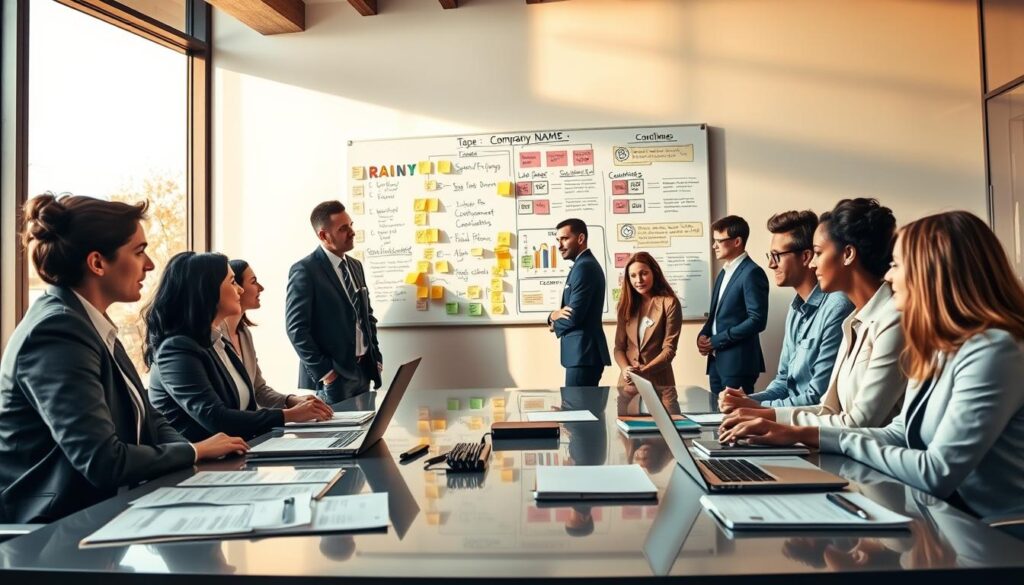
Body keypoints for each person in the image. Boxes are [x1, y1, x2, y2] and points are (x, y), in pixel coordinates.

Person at [719, 211, 1024, 523]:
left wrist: (824, 438)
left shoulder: (995, 351)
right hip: (942, 517)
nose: (888, 277)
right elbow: (900, 432)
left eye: (897, 265)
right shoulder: (937, 347)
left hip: (994, 533)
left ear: (934, 273)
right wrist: (800, 433)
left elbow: (937, 472)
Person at [0, 194, 247, 523]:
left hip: (103, 513)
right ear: (97, 263)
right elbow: (103, 461)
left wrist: (197, 455)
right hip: (53, 527)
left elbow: (151, 418)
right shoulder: (57, 331)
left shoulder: (89, 322)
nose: (150, 264)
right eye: (139, 251)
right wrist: (194, 451)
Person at [720, 198, 905, 429]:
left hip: (852, 445)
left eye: (818, 253)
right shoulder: (852, 320)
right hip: (835, 439)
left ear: (848, 254)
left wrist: (771, 421)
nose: (813, 264)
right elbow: (829, 406)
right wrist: (752, 407)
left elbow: (855, 421)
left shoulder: (871, 315)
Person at [146, 252, 333, 441]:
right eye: (232, 282)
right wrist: (290, 415)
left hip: (238, 449)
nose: (240, 290)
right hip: (201, 458)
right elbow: (216, 418)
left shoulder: (217, 342)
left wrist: (292, 407)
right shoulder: (176, 349)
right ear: (208, 289)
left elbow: (250, 399)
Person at [719, 211, 853, 411]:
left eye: (777, 256)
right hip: (787, 418)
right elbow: (783, 382)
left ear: (806, 257)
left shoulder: (837, 308)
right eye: (770, 256)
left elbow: (818, 397)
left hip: (810, 423)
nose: (771, 264)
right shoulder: (795, 308)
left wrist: (754, 407)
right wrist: (744, 400)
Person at [286, 200, 382, 403]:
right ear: (323, 235)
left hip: (364, 371)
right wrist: (326, 373)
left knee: (370, 424)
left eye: (351, 225)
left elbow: (366, 316)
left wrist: (376, 356)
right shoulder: (305, 270)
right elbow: (296, 329)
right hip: (335, 378)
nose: (352, 232)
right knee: (339, 425)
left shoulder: (355, 266)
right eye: (343, 228)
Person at [223, 259, 331, 413]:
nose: (261, 288)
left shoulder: (244, 334)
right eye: (253, 282)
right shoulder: (214, 338)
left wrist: (291, 400)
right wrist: (290, 414)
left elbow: (258, 390)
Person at [697, 215, 769, 395]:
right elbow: (715, 314)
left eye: (719, 241)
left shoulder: (752, 273)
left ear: (737, 242)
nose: (714, 246)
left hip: (738, 363)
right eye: (714, 241)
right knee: (716, 411)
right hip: (716, 362)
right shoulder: (723, 272)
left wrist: (716, 340)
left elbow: (757, 320)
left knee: (735, 412)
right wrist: (704, 334)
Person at [547, 218, 611, 387]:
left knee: (576, 404)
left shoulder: (585, 267)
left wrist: (553, 320)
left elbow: (573, 316)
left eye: (564, 239)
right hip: (582, 355)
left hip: (584, 354)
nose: (559, 245)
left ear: (581, 238)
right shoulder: (582, 265)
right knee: (580, 404)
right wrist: (553, 315)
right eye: (558, 240)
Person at [613, 252, 682, 398]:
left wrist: (644, 371)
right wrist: (625, 369)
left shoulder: (669, 303)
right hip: (628, 385)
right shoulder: (625, 305)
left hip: (660, 383)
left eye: (644, 273)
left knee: (668, 414)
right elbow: (619, 348)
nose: (638, 280)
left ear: (654, 273)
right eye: (633, 276)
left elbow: (669, 350)